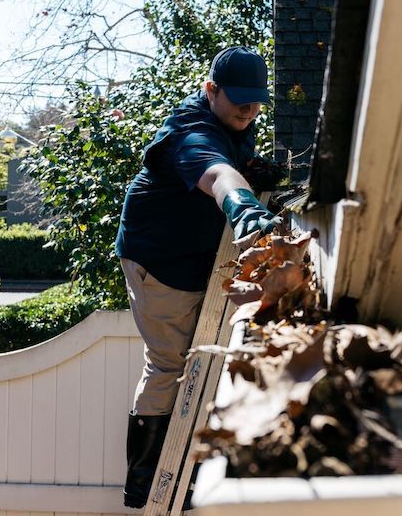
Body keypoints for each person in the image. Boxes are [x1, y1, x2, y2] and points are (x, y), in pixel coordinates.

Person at [115, 46, 282, 508]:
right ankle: (145, 479)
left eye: (255, 104)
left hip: (190, 255)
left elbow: (233, 163)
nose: (248, 113)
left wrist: (251, 171)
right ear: (211, 91)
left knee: (196, 360)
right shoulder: (189, 131)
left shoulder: (233, 122)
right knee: (169, 364)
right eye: (239, 103)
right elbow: (215, 171)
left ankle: (184, 457)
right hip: (160, 263)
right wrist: (242, 204)